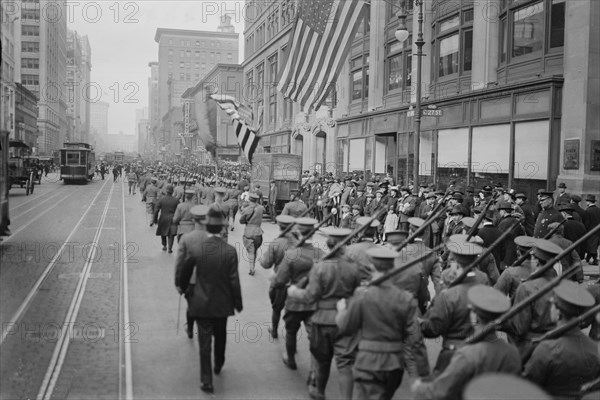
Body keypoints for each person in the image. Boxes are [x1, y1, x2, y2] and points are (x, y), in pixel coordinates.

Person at [337, 247, 430, 400]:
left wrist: (341, 312)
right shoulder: (404, 298)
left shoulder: (362, 295)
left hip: (368, 363)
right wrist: (424, 371)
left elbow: (346, 327)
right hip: (393, 364)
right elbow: (415, 337)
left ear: (371, 266)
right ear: (392, 267)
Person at [287, 227, 363, 400]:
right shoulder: (353, 268)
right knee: (345, 364)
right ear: (344, 246)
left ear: (329, 245)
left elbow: (310, 296)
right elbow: (357, 293)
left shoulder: (320, 267)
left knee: (322, 361)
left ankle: (320, 391)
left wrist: (293, 292)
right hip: (345, 319)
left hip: (322, 320)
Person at [174, 207, 243, 394]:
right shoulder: (229, 251)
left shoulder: (197, 250)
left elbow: (185, 273)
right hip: (222, 303)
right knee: (221, 336)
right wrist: (238, 302)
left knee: (204, 343)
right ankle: (219, 363)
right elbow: (233, 280)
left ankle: (206, 380)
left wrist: (181, 286)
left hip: (201, 302)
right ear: (221, 228)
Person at [412, 285, 521, 400]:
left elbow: (441, 391)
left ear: (474, 316)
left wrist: (418, 387)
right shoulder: (513, 353)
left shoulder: (467, 354)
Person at [420, 236, 489, 375]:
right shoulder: (483, 278)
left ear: (455, 261)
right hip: (479, 351)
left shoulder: (448, 292)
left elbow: (434, 328)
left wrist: (419, 323)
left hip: (452, 350)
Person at [523, 281, 600, 399]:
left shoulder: (546, 349)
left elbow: (528, 388)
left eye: (552, 304)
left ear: (558, 312)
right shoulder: (595, 349)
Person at [271, 219, 325, 372]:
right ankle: (315, 371)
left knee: (291, 331)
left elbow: (280, 280)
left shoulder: (291, 254)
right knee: (314, 336)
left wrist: (274, 279)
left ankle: (291, 358)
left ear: (298, 233)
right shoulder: (321, 254)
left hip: (294, 301)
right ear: (313, 235)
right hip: (314, 301)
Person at [506, 239, 562, 362]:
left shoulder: (526, 288)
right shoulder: (563, 286)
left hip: (531, 349)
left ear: (535, 261)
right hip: (558, 346)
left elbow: (520, 329)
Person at [259, 215, 298, 339]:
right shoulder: (298, 241)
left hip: (280, 280)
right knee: (292, 311)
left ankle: (274, 330)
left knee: (276, 308)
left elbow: (266, 264)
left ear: (279, 226)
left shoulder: (277, 242)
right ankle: (290, 334)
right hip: (296, 281)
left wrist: (261, 260)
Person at [239, 192, 264, 275]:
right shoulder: (261, 208)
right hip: (258, 233)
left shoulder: (246, 209)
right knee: (255, 250)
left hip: (248, 233)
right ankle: (253, 265)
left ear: (249, 200)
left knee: (250, 251)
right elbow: (263, 210)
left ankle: (251, 269)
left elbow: (241, 221)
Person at [153, 184, 179, 253]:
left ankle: (164, 245)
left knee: (163, 233)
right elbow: (179, 211)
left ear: (166, 191)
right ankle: (170, 248)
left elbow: (156, 210)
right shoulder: (176, 200)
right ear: (172, 191)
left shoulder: (161, 199)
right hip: (172, 219)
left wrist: (155, 219)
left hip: (163, 218)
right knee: (171, 234)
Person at [583, 194, 600, 265]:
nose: (586, 202)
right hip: (598, 231)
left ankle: (595, 260)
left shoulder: (587, 211)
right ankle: (588, 258)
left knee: (591, 246)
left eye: (587, 201)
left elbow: (587, 223)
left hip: (590, 231)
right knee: (594, 245)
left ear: (589, 202)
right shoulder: (598, 210)